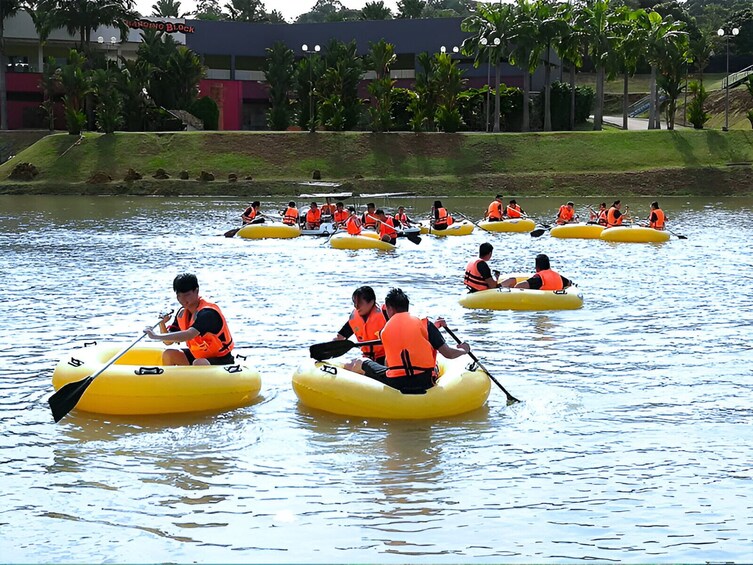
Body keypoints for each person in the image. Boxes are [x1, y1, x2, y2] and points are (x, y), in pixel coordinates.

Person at [344, 288, 470, 394]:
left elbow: (389, 365)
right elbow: (449, 354)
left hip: (396, 384)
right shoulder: (425, 324)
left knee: (362, 361)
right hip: (425, 382)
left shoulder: (385, 332)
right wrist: (464, 350)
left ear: (390, 309)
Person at [144, 273, 234, 366]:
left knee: (199, 363)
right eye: (179, 295)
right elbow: (168, 341)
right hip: (198, 356)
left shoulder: (208, 313)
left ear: (196, 291)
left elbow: (189, 334)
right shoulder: (182, 313)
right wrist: (162, 324)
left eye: (187, 295)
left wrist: (156, 336)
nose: (182, 300)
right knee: (169, 354)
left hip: (221, 360)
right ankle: (170, 380)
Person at [335, 286, 388, 365]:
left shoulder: (385, 313)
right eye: (354, 303)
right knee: (348, 364)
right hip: (366, 359)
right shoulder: (354, 318)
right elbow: (340, 337)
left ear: (371, 301)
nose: (356, 306)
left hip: (385, 358)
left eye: (360, 303)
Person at [499, 254, 572, 290]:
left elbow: (520, 286)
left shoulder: (539, 278)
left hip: (541, 299)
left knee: (512, 281)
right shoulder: (558, 276)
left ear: (537, 267)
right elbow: (569, 283)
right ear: (549, 265)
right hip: (557, 299)